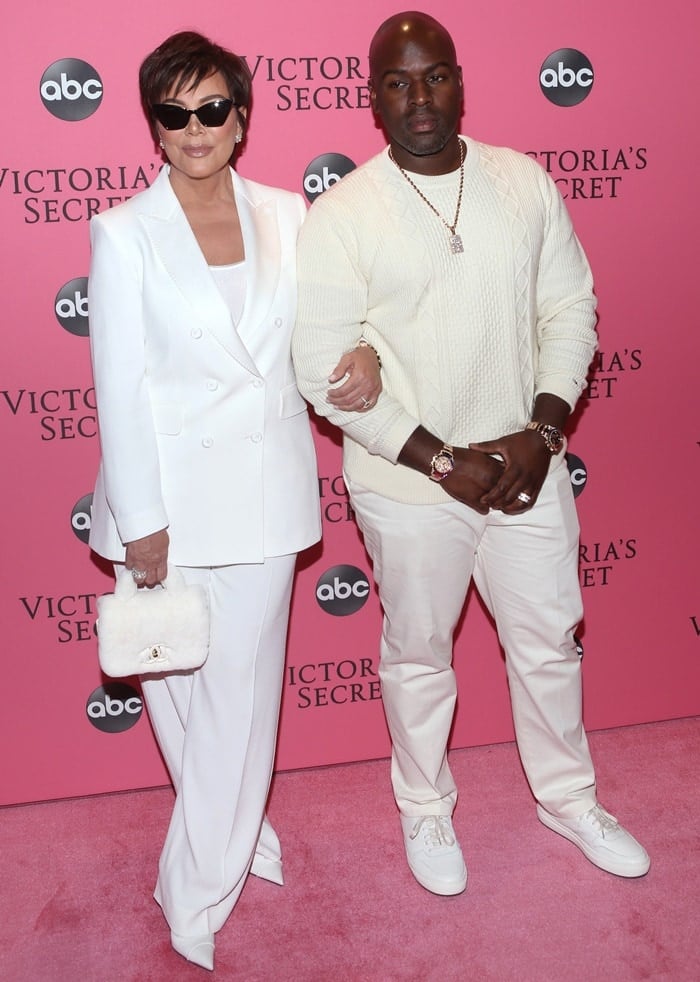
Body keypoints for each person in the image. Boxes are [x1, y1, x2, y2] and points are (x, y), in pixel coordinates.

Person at [292, 11, 650, 897]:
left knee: (548, 643)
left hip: (525, 469)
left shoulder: (523, 182)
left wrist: (543, 432)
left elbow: (571, 309)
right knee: (419, 652)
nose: (419, 97)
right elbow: (319, 367)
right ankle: (424, 806)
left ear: (460, 80)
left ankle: (568, 799)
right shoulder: (343, 213)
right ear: (374, 100)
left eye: (435, 76)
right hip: (411, 483)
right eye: (398, 83)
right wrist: (447, 463)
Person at [87, 31, 380, 970]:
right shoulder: (124, 233)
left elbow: (324, 338)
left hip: (260, 493)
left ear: (242, 117)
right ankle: (237, 834)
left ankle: (194, 884)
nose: (196, 127)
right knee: (175, 696)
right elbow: (119, 387)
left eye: (212, 107)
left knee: (239, 702)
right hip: (164, 502)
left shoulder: (293, 217)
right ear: (155, 129)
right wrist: (144, 523)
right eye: (175, 114)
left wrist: (362, 359)